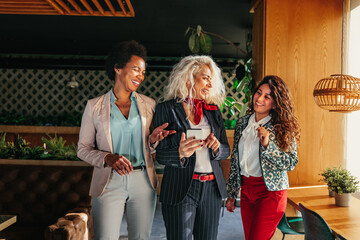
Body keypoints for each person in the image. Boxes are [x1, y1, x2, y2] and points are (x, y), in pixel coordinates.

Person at [77, 40, 174, 240]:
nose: (141, 76)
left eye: (143, 72)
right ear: (118, 68)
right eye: (136, 70)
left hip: (143, 181)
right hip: (108, 181)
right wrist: (108, 158)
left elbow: (152, 150)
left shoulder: (149, 105)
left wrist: (154, 141)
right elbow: (82, 149)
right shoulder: (94, 106)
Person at [153, 55, 230, 240]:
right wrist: (179, 153)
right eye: (205, 77)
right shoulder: (166, 109)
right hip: (180, 189)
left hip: (212, 189)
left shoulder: (213, 111)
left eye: (211, 79)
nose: (210, 84)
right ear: (189, 78)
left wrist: (217, 147)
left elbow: (226, 150)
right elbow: (159, 155)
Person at [226, 75, 300, 240]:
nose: (259, 98)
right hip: (246, 191)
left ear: (275, 103)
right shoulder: (242, 123)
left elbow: (290, 162)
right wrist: (231, 193)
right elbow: (235, 161)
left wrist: (268, 145)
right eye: (259, 93)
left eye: (267, 96)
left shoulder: (282, 127)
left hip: (270, 194)